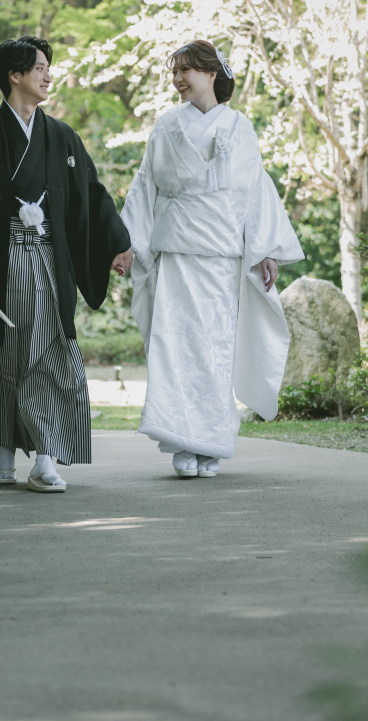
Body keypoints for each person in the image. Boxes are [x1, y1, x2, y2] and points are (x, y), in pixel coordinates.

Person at [0, 36, 132, 493]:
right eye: (39, 67)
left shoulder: (60, 137)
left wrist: (117, 243)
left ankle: (44, 458)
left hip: (46, 262)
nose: (47, 75)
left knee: (46, 351)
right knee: (4, 354)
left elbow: (91, 195)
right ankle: (5, 456)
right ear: (14, 76)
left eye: (47, 66)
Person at [122, 39, 304, 479]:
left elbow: (255, 191)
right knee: (174, 346)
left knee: (214, 350)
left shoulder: (239, 127)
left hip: (222, 256)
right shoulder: (166, 125)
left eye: (187, 70)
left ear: (210, 73)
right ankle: (183, 442)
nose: (179, 80)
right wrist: (128, 243)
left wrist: (265, 251)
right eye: (175, 73)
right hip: (178, 253)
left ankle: (212, 443)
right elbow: (145, 186)